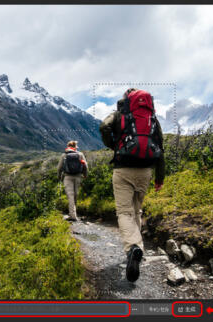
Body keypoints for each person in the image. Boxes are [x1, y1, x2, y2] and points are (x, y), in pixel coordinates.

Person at [99, 88, 165, 282]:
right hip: (145, 171)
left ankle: (133, 248)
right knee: (136, 211)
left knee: (124, 212)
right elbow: (160, 147)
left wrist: (114, 145)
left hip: (123, 169)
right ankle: (137, 248)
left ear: (125, 99)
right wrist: (159, 178)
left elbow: (104, 126)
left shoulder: (119, 114)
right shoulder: (152, 118)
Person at [57, 140, 88, 221]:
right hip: (78, 177)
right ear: (75, 147)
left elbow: (59, 168)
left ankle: (72, 215)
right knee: (75, 195)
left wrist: (59, 177)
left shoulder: (64, 155)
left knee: (70, 195)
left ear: (68, 146)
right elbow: (85, 166)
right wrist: (85, 175)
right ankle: (74, 214)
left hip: (67, 177)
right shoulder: (80, 154)